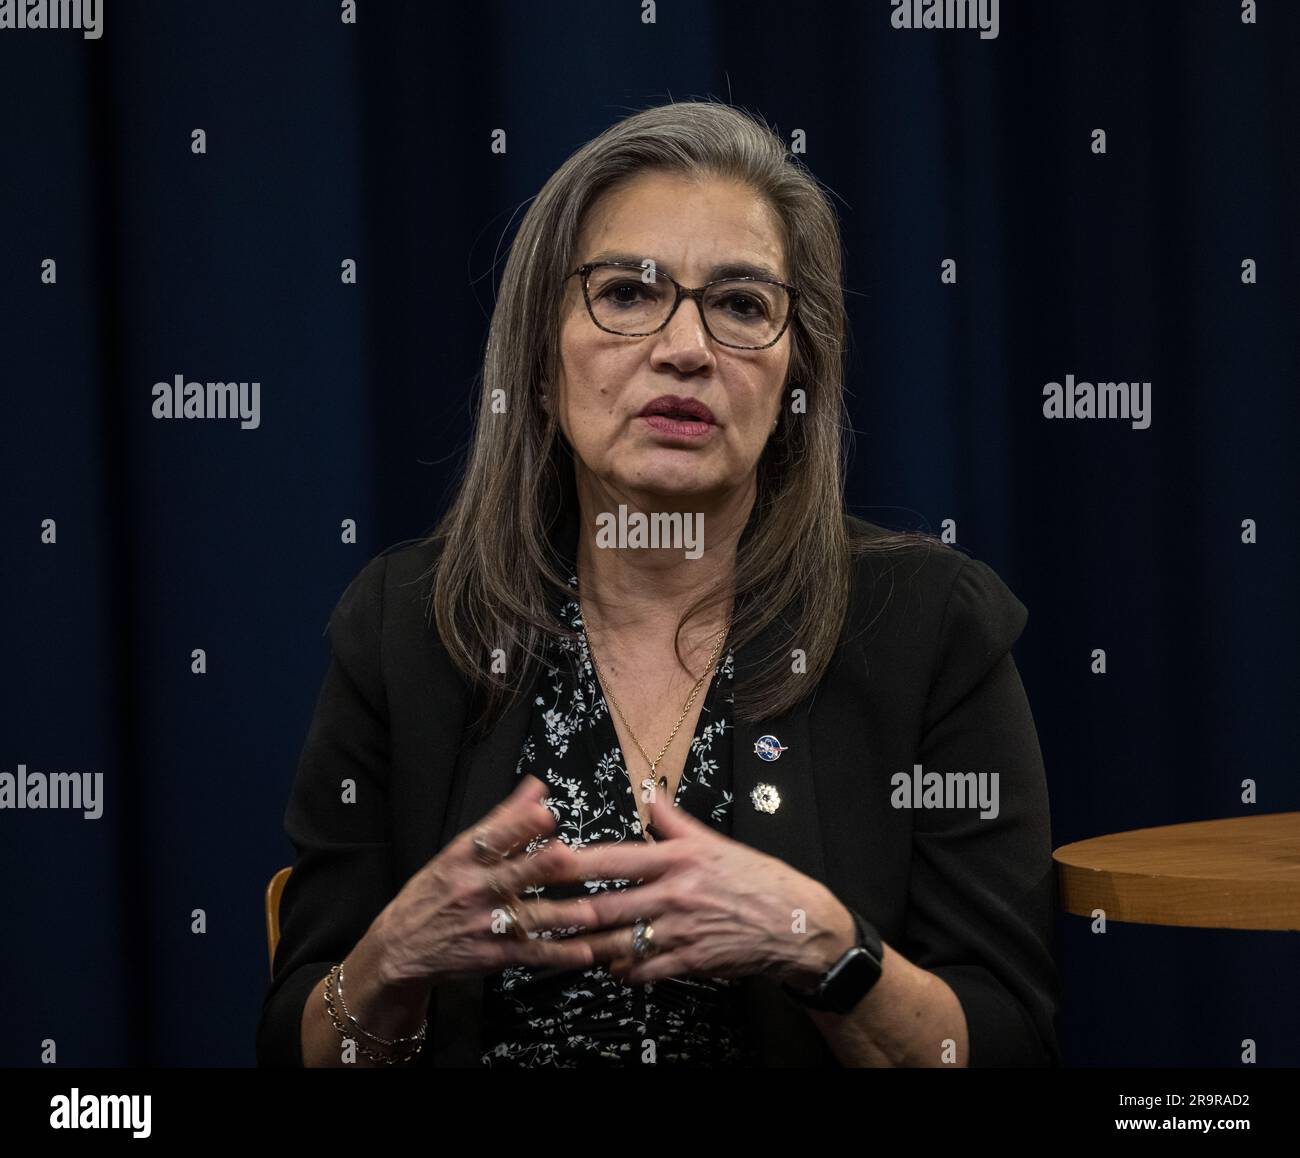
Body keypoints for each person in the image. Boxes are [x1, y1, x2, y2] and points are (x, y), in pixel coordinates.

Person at [256, 99, 1059, 1068]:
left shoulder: (932, 630)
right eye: (628, 294)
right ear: (543, 367)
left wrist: (821, 941)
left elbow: (1006, 1046)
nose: (685, 348)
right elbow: (297, 1048)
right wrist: (392, 959)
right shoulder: (409, 627)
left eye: (740, 304)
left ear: (794, 378)